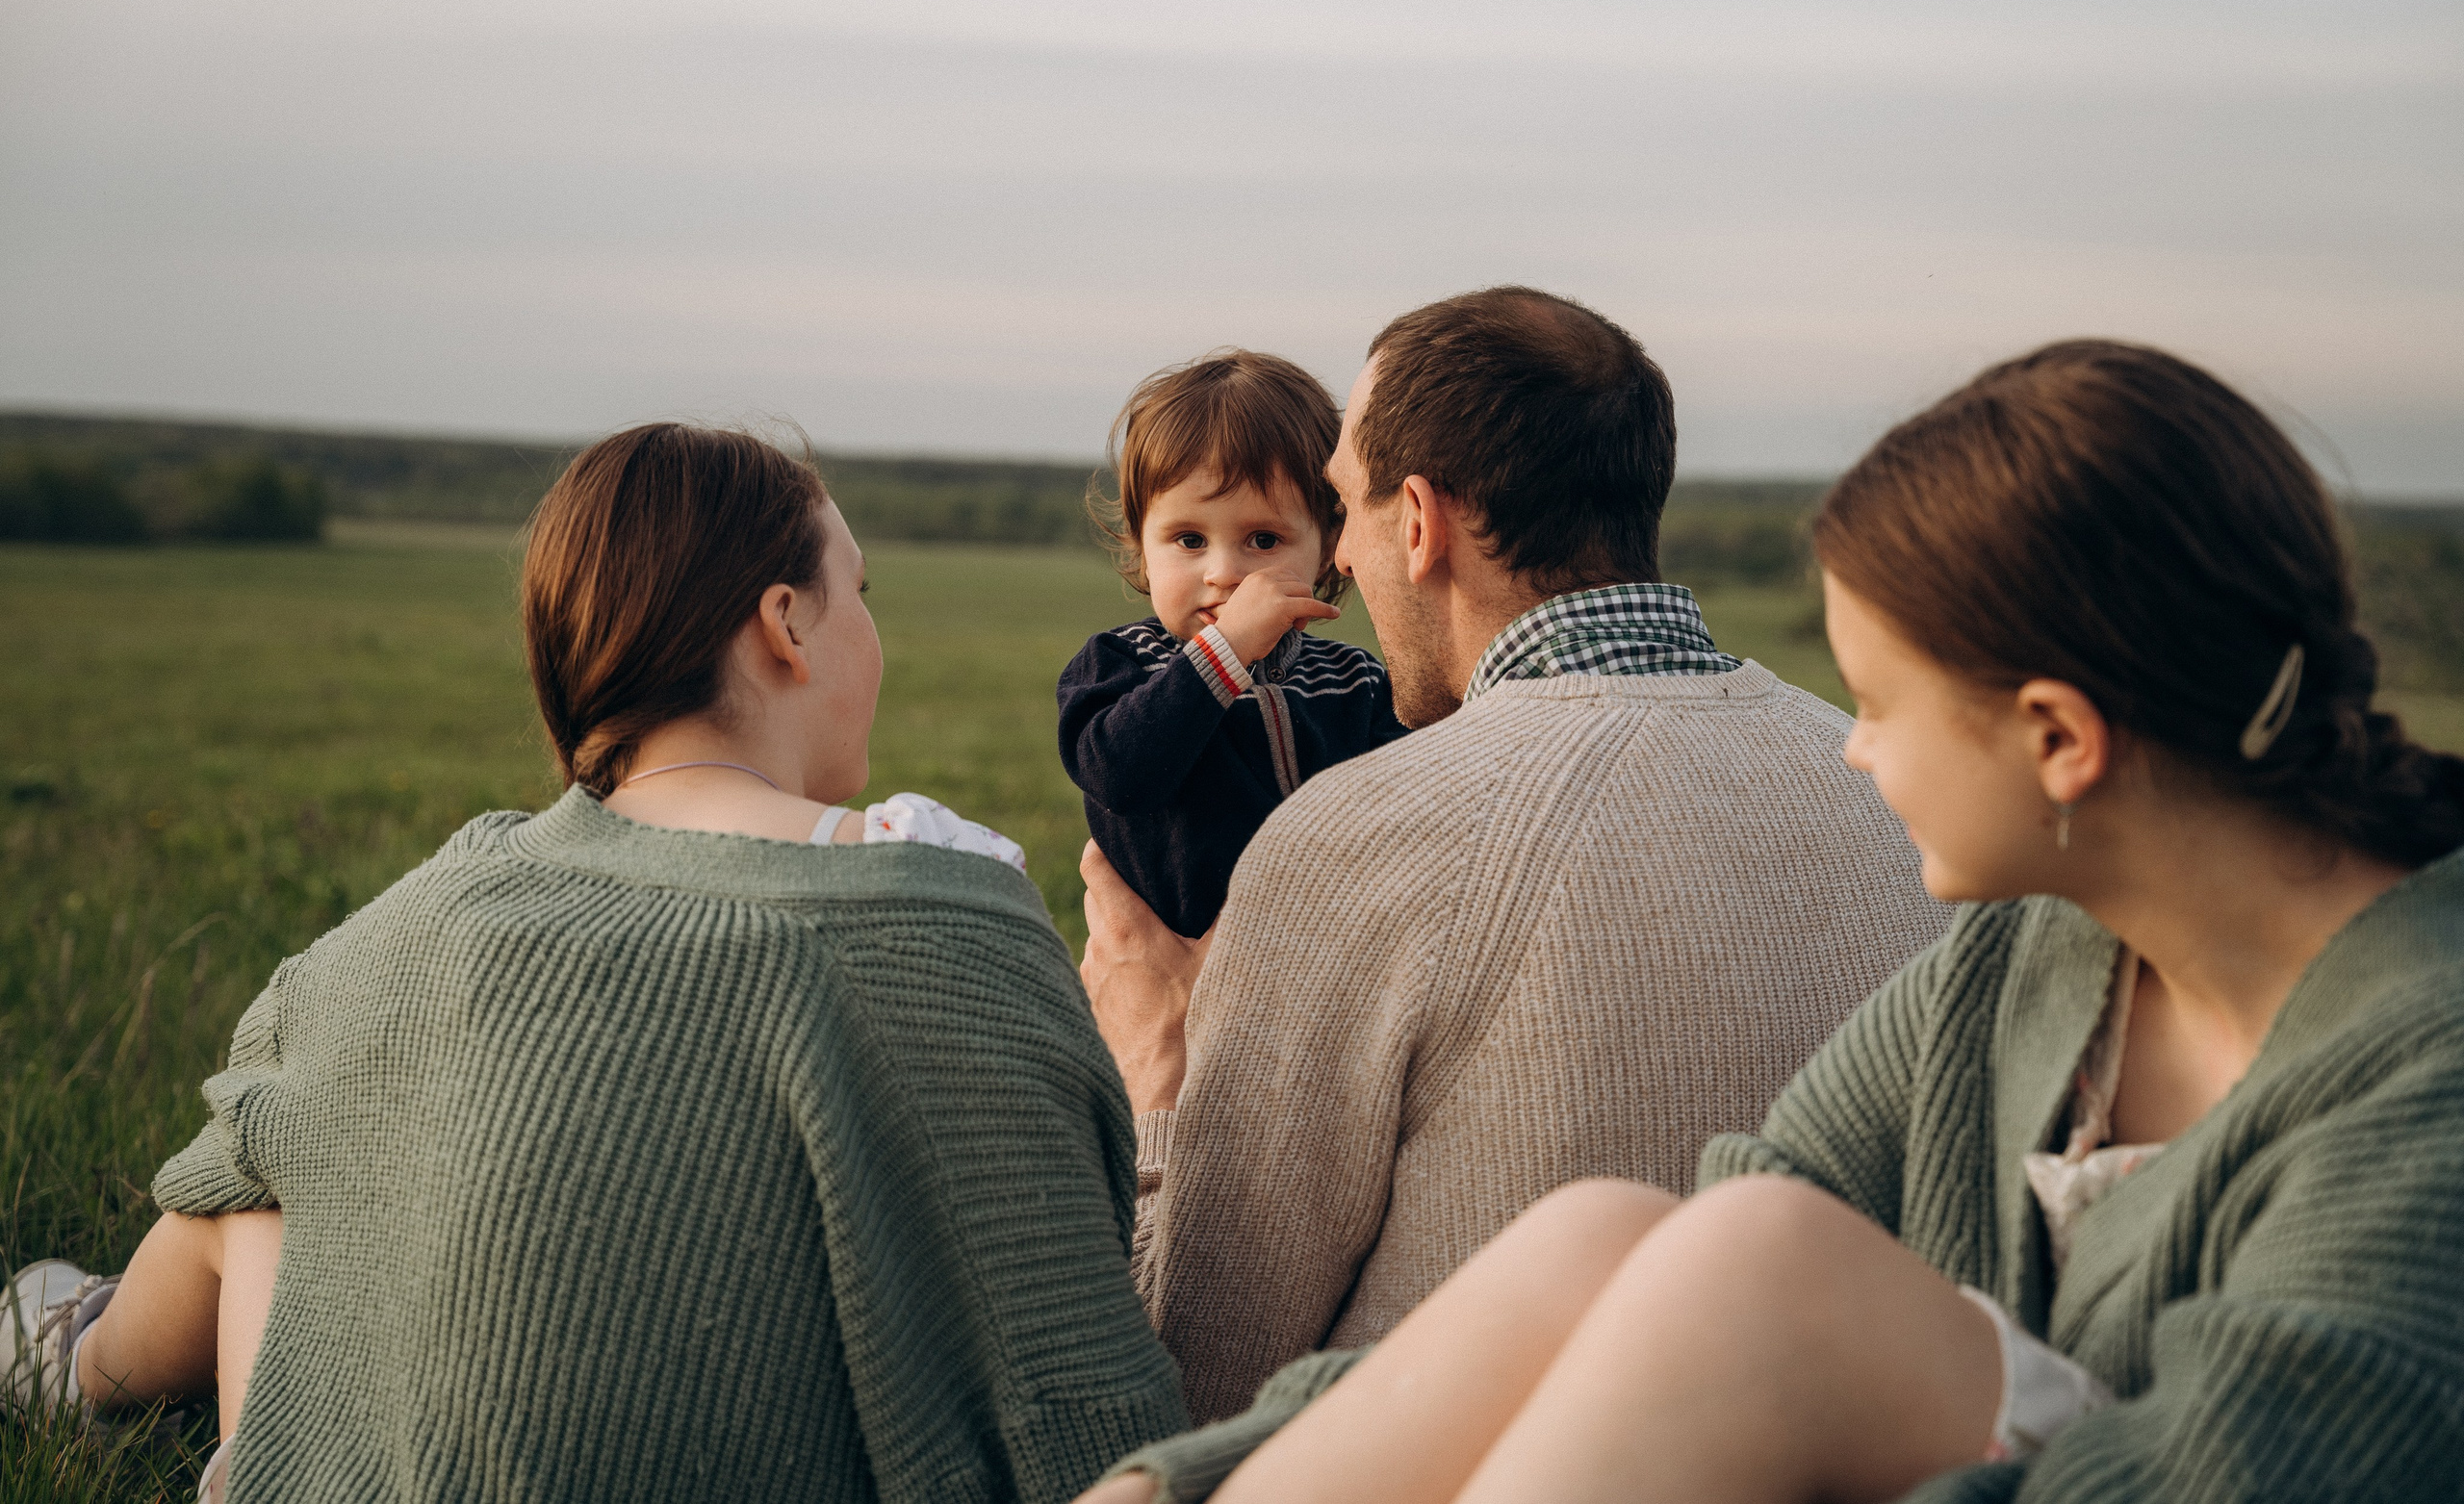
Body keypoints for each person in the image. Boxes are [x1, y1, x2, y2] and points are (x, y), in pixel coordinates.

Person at [1085, 339, 2464, 1503]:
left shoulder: (2426, 1072)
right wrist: (1184, 1476)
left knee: (1763, 1259)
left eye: (1876, 701)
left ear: (2056, 737)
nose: (1849, 750)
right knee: (1616, 1227)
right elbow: (1725, 1213)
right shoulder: (2029, 955)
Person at [2, 424, 1189, 1503]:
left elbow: (245, 1141)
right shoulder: (950, 920)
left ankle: (80, 1362)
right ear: (783, 625)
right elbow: (1069, 1385)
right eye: (858, 592)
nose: (871, 628)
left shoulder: (434, 908)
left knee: (253, 1185)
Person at [1079, 288, 1950, 1421]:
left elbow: (1197, 1374)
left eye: (1344, 507)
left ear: (1422, 523)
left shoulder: (1356, 837)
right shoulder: (1889, 787)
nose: (1337, 552)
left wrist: (1158, 1075)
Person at [1060, 350, 1408, 938]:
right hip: (1173, 975)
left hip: (1324, 966)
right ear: (1142, 545)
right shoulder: (1121, 666)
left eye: (1263, 539)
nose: (1224, 572)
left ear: (1327, 548)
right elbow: (1121, 776)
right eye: (1189, 539)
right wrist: (1223, 653)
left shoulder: (1355, 680)